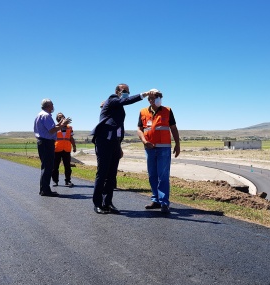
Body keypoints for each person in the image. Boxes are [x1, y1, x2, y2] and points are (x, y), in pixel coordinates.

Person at [90, 84, 155, 214]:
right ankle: (97, 204)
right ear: (117, 91)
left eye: (128, 91)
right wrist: (145, 94)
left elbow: (117, 127)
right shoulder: (112, 99)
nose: (126, 93)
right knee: (102, 173)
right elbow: (125, 100)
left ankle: (107, 203)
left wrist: (119, 145)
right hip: (104, 140)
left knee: (112, 174)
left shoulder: (117, 105)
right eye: (124, 91)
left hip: (114, 142)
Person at [137, 88, 180, 213]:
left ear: (160, 98)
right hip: (149, 148)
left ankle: (164, 202)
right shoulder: (143, 112)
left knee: (163, 175)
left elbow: (173, 128)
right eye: (150, 98)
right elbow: (139, 129)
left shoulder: (167, 111)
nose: (152, 100)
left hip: (164, 149)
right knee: (152, 175)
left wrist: (178, 144)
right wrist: (144, 141)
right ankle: (155, 200)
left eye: (155, 98)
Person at [34, 98, 70, 197]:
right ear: (48, 106)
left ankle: (44, 189)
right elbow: (52, 130)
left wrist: (61, 124)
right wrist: (63, 124)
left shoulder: (41, 115)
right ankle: (45, 190)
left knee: (46, 166)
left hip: (44, 143)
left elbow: (52, 128)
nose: (53, 106)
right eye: (52, 104)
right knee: (48, 167)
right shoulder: (45, 116)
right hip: (46, 143)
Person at [52, 112, 76, 187]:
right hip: (57, 149)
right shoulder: (55, 127)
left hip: (66, 149)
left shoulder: (69, 127)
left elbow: (71, 138)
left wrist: (74, 146)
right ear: (57, 119)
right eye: (59, 117)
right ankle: (55, 181)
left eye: (62, 117)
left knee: (67, 166)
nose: (61, 118)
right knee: (55, 166)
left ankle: (68, 181)